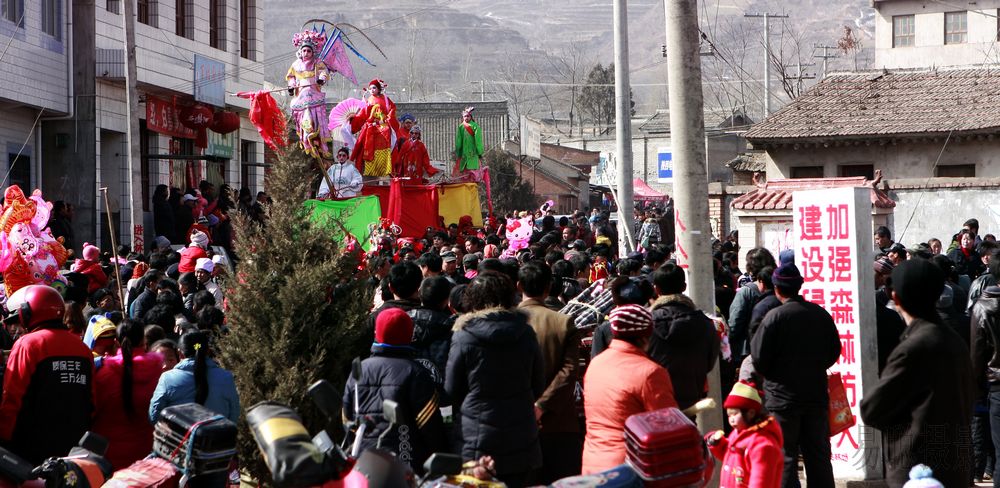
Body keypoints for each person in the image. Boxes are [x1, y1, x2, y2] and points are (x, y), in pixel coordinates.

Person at [863, 259, 974, 488]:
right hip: (955, 466)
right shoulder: (954, 341)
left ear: (896, 298)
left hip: (916, 469)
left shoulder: (913, 347)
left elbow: (872, 408)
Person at [446, 271, 544, 486]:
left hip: (477, 436)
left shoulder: (463, 335)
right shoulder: (526, 332)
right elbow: (538, 384)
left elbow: (452, 388)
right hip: (521, 434)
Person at [750, 263, 839, 488]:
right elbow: (833, 351)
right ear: (799, 287)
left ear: (777, 288)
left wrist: (775, 375)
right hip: (815, 395)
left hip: (781, 399)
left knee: (785, 457)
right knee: (818, 455)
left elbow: (759, 358)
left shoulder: (773, 318)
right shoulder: (820, 315)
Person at [343, 308, 447, 471]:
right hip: (404, 465)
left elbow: (347, 418)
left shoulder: (360, 368)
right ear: (410, 335)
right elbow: (430, 426)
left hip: (363, 461)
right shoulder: (416, 372)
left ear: (377, 332)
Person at [0, 285, 95, 465]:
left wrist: (5, 439)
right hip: (75, 447)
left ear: (28, 313)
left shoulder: (26, 344)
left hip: (32, 449)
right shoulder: (83, 349)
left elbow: (12, 398)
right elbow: (92, 400)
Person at [582, 304, 677, 474]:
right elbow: (668, 430)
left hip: (593, 464)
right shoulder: (650, 372)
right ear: (646, 336)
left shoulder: (596, 364)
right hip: (632, 469)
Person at [516, 262, 582, 483]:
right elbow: (569, 371)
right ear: (548, 288)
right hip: (560, 423)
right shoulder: (562, 322)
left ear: (519, 286)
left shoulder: (503, 322)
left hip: (515, 422)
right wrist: (542, 405)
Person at [647, 262, 720, 412]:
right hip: (691, 400)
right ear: (684, 287)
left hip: (653, 399)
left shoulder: (646, 323)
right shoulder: (706, 324)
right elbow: (709, 363)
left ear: (656, 289)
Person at [92, 319, 164, 470]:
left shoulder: (104, 374)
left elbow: (92, 409)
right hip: (148, 453)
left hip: (109, 457)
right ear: (144, 340)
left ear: (116, 342)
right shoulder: (159, 371)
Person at [149, 330, 239, 424]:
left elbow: (154, 415)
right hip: (218, 435)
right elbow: (234, 413)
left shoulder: (167, 378)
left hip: (181, 436)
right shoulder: (226, 377)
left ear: (180, 353)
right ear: (208, 351)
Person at [705, 380, 784, 488]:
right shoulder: (737, 433)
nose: (731, 420)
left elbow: (761, 481)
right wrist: (718, 443)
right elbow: (731, 456)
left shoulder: (763, 445)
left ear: (750, 413)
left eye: (734, 414)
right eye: (729, 415)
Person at [286, 33, 331, 159]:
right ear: (300, 51)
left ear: (312, 52)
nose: (306, 53)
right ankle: (307, 137)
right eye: (304, 50)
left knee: (316, 116)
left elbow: (324, 72)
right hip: (301, 94)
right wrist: (291, 86)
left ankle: (317, 138)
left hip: (314, 93)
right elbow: (291, 77)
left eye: (308, 51)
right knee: (303, 115)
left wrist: (321, 79)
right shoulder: (295, 65)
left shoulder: (317, 63)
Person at [729, 248, 777, 363]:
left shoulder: (746, 292)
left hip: (748, 350)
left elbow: (735, 324)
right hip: (775, 349)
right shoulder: (780, 289)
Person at [350, 79, 399, 177]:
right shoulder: (369, 100)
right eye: (370, 88)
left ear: (379, 88)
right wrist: (353, 119)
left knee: (392, 143)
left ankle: (385, 168)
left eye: (374, 88)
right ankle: (370, 168)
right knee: (364, 145)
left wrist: (387, 119)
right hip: (371, 127)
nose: (372, 90)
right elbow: (363, 113)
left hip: (384, 126)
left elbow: (392, 108)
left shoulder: (386, 99)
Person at [408, 276, 455, 376]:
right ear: (447, 299)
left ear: (419, 293)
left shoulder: (405, 321)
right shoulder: (453, 328)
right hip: (442, 384)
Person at [454, 106, 484, 178]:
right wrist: (458, 153)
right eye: (465, 116)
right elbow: (458, 142)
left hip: (473, 155)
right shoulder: (461, 127)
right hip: (464, 156)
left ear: (471, 117)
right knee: (464, 176)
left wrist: (480, 152)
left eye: (467, 116)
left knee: (473, 176)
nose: (466, 118)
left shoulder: (475, 126)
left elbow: (478, 141)